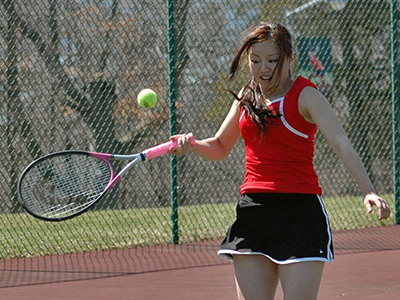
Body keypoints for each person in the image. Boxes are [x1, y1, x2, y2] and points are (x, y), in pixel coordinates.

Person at [169, 21, 391, 300]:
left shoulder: (306, 95)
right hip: (254, 211)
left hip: (300, 213)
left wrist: (368, 190)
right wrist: (192, 145)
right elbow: (220, 145)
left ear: (289, 59)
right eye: (255, 60)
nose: (264, 68)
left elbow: (340, 143)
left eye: (272, 60)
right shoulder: (246, 98)